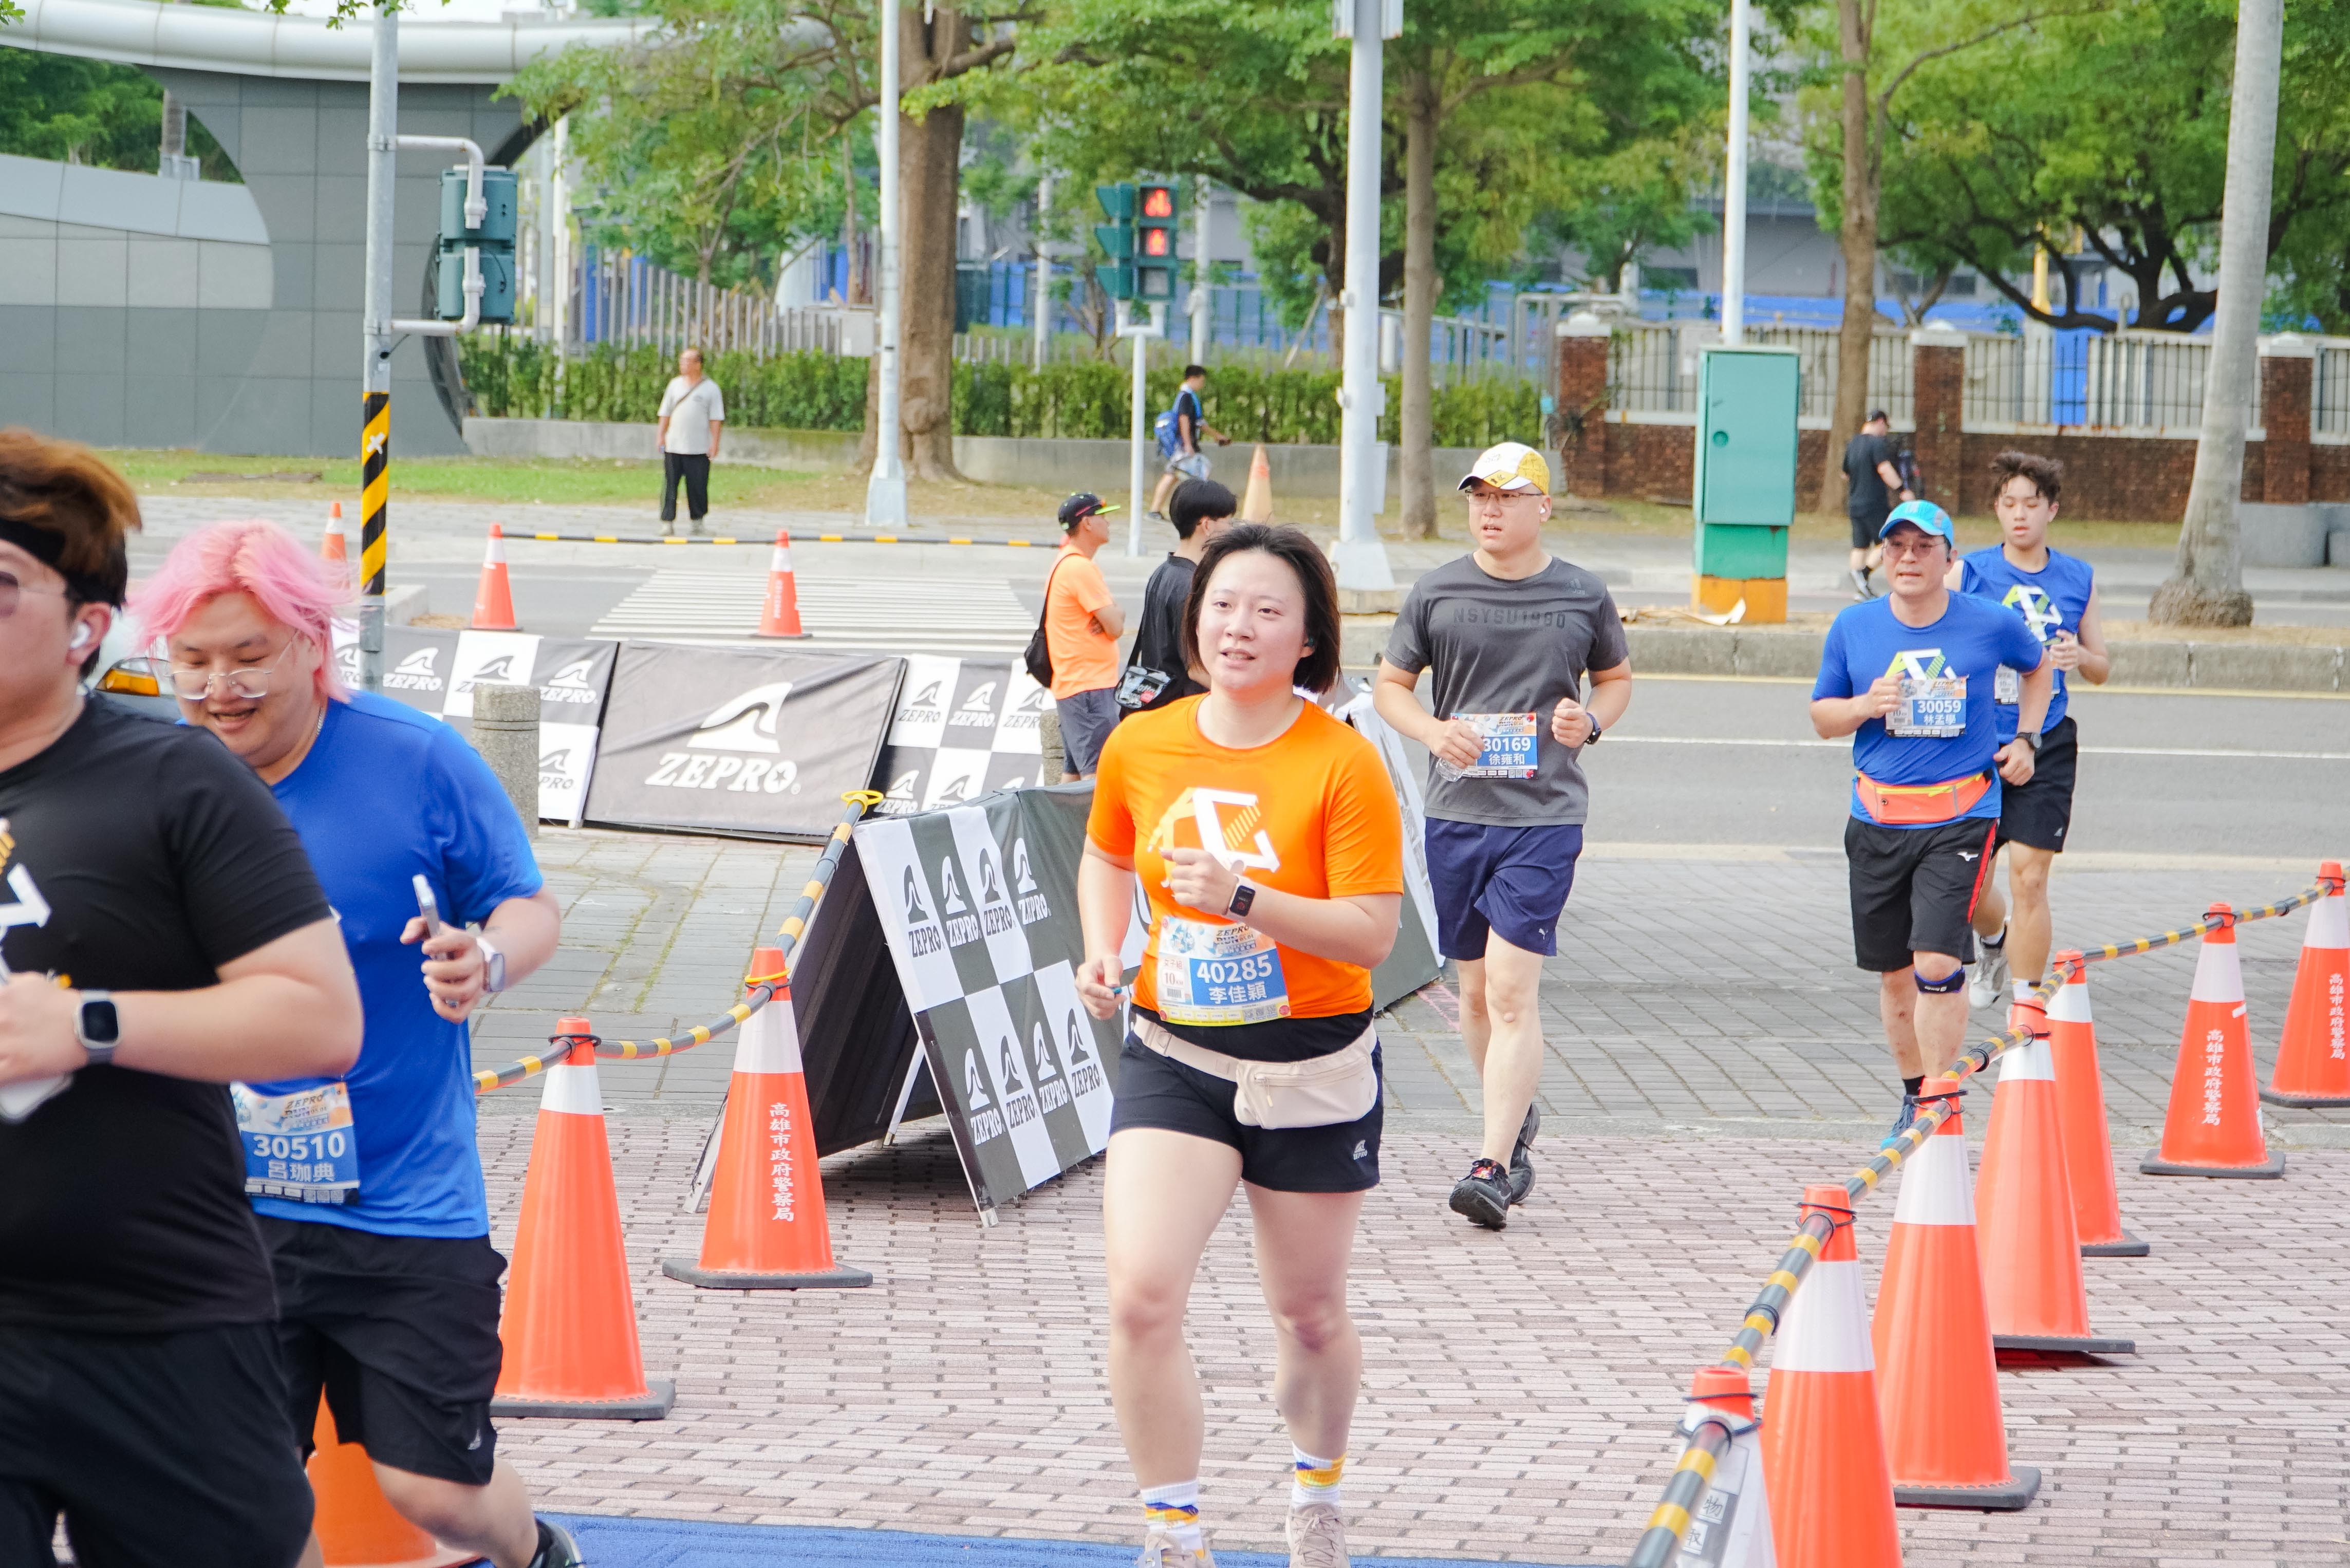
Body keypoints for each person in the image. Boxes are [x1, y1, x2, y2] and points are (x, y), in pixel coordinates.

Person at [130, 519, 577, 1568]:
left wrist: (485, 959)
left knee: (438, 1491)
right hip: (224, 1209)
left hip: (406, 1202)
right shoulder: (152, 778)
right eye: (192, 661)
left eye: (248, 655)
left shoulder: (414, 757)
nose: (218, 687)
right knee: (235, 1495)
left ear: (311, 643)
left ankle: (537, 1551)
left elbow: (527, 903)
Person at [0, 432, 364, 1568]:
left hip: (158, 1317)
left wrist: (87, 1025)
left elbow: (319, 1016)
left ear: (87, 624)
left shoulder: (171, 779)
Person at [1076, 522, 1403, 1568]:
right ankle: (1173, 1531)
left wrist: (1246, 898)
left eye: (1267, 610)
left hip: (1312, 1066)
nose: (1238, 627)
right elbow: (1106, 853)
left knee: (1306, 1314)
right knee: (1141, 1295)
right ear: (1192, 620)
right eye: (1221, 605)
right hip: (1175, 1055)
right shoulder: (1141, 742)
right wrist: (1101, 947)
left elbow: (1372, 932)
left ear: (1307, 638)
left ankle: (1316, 1492)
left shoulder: (1342, 763)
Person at [1372, 441, 1631, 1230]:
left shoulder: (1581, 593)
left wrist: (1589, 723)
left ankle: (1491, 1166)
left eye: (1506, 496)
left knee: (1514, 991)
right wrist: (1431, 731)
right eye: (1478, 496)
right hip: (1457, 816)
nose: (1488, 509)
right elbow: (1389, 688)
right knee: (1477, 993)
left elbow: (1615, 681)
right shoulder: (1437, 590)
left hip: (1544, 818)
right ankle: (1512, 1120)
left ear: (1541, 507)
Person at [1810, 499, 2052, 1148]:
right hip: (1877, 818)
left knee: (1937, 963)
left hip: (1961, 817)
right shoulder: (1854, 626)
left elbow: (2038, 668)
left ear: (1950, 558)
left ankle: (1941, 1103)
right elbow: (1822, 716)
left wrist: (2026, 738)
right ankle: (1914, 1093)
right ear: (1881, 555)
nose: (1908, 558)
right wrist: (1863, 705)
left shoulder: (1989, 622)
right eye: (1896, 547)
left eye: (1924, 547)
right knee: (1895, 976)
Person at [1948, 451, 2107, 1010]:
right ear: (1996, 509)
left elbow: (2102, 667)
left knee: (2030, 878)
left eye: (2031, 504)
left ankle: (2027, 1009)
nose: (2020, 515)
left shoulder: (2077, 578)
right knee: (1968, 883)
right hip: (1977, 738)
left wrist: (2079, 655)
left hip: (2047, 739)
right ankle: (1993, 941)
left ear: (2051, 510)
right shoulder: (1969, 572)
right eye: (2009, 504)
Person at [1118, 477, 1236, 718]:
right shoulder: (1192, 585)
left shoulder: (1163, 572)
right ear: (1207, 525)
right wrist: (1243, 697)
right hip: (1185, 709)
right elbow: (1196, 669)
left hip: (1159, 703)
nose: (1232, 530)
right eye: (1228, 522)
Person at [1046, 491, 1127, 782]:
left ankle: (1060, 817)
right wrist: (1115, 613)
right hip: (1089, 688)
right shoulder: (1080, 568)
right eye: (1102, 516)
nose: (1109, 523)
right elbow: (1115, 626)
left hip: (1078, 686)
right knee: (1096, 779)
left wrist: (1113, 615)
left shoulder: (1067, 562)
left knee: (1073, 777)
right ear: (1088, 523)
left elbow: (1112, 620)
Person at [1841, 409, 1913, 600]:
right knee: (1889, 541)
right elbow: (1884, 469)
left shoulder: (1853, 443)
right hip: (1874, 503)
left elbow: (1845, 474)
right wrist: (1902, 490)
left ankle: (1860, 589)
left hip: (1855, 503)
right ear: (1881, 422)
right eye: (1886, 427)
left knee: (1860, 546)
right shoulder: (1877, 444)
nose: (1885, 431)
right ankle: (1863, 574)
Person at [656, 346, 725, 535]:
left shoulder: (711, 389)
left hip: (698, 448)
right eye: (682, 361)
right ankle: (667, 522)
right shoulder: (674, 385)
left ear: (698, 364)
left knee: (698, 486)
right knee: (670, 485)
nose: (683, 365)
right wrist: (661, 435)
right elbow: (665, 412)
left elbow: (716, 418)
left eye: (687, 361)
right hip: (674, 446)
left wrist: (715, 443)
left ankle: (698, 522)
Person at [1148, 365, 1229, 521]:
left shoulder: (1188, 396)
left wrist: (1217, 436)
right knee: (1199, 475)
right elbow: (1184, 419)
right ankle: (1196, 512)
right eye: (1201, 381)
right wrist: (1187, 444)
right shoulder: (1186, 397)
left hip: (1184, 445)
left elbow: (1199, 423)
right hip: (1184, 445)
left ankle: (1155, 510)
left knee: (1173, 475)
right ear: (1192, 379)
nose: (1202, 385)